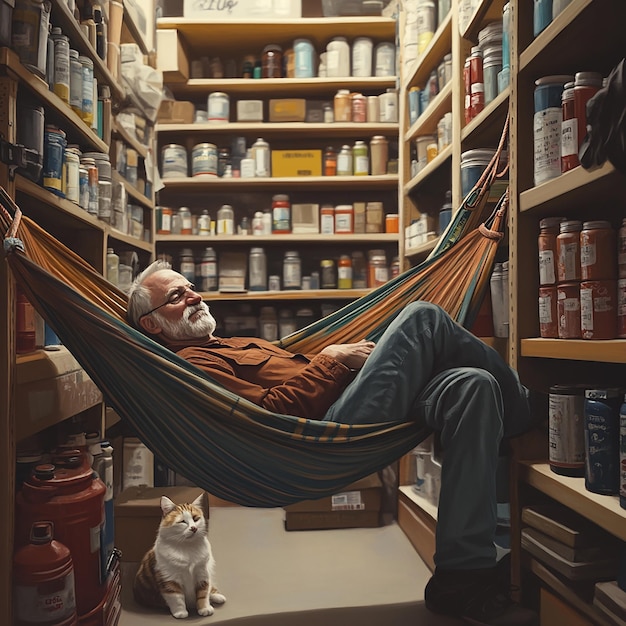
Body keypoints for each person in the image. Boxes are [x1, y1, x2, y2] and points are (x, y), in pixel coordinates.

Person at [127, 259, 539, 626]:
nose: (195, 296)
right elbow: (274, 411)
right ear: (152, 323)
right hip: (324, 431)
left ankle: (462, 578)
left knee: (474, 386)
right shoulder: (193, 366)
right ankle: (528, 412)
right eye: (178, 295)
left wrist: (342, 359)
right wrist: (334, 357)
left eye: (190, 287)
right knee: (422, 317)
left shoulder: (229, 344)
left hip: (354, 394)